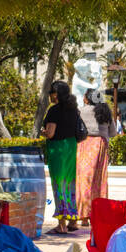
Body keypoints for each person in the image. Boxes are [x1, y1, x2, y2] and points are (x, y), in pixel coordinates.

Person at [42, 80, 80, 234]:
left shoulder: (54, 110)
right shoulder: (73, 109)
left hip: (58, 148)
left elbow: (50, 133)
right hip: (71, 146)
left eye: (51, 92)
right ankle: (73, 221)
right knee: (70, 183)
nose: (50, 95)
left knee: (59, 183)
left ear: (56, 94)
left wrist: (42, 132)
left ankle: (62, 224)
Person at [76, 88, 112, 225]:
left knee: (84, 180)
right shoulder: (105, 111)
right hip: (101, 146)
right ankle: (98, 214)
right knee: (99, 181)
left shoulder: (81, 111)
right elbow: (113, 132)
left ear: (87, 99)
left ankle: (84, 216)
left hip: (84, 144)